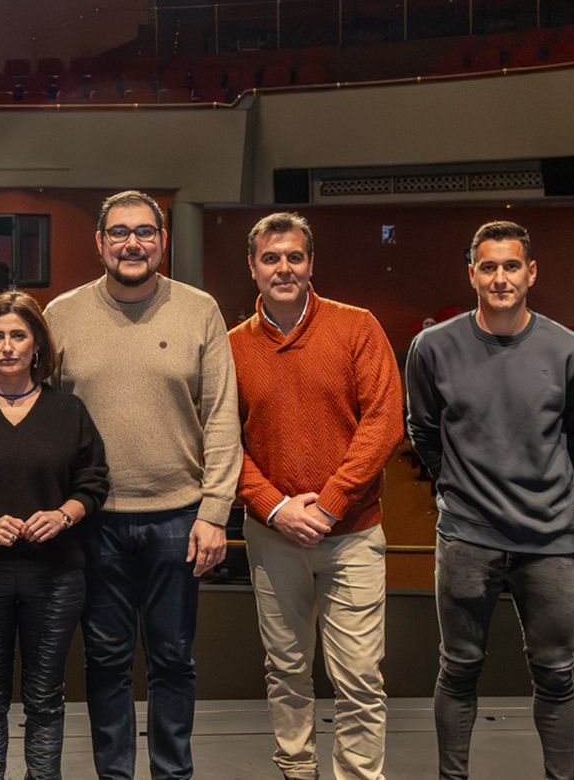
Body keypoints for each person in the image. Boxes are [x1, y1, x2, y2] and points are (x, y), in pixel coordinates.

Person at [43, 189, 242, 780]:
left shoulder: (200, 310)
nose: (133, 243)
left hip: (178, 519)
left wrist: (215, 512)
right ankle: (114, 775)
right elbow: (47, 420)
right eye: (121, 232)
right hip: (93, 521)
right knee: (104, 661)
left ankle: (172, 773)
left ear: (163, 241)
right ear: (100, 242)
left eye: (146, 232)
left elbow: (223, 415)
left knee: (174, 661)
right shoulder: (61, 315)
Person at [405, 221, 574, 780]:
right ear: (472, 273)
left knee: (557, 674)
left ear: (531, 272)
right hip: (468, 537)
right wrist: (460, 487)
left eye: (511, 266)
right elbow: (423, 431)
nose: (500, 278)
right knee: (458, 668)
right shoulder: (432, 347)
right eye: (488, 267)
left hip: (551, 541)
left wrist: (549, 493)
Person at [230, 213, 403, 780]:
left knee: (358, 677)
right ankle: (296, 772)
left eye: (295, 257)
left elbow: (383, 424)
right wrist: (276, 508)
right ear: (252, 267)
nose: (284, 267)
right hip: (273, 534)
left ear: (311, 264)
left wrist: (328, 504)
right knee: (286, 671)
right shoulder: (231, 347)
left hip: (352, 533)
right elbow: (220, 444)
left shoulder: (357, 328)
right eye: (272, 258)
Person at [0, 291, 110, 780]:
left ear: (37, 345)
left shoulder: (68, 411)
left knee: (46, 698)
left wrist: (63, 516)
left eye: (18, 335)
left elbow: (93, 484)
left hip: (55, 575)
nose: (7, 346)